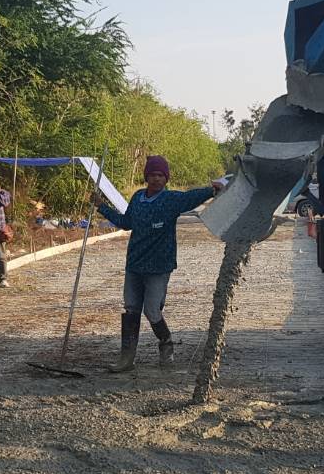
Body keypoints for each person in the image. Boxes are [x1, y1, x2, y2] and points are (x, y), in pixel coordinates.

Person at [94, 155, 226, 371]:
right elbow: (126, 223)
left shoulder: (170, 200)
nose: (156, 179)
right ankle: (127, 358)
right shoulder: (138, 198)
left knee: (152, 310)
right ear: (146, 177)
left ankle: (166, 343)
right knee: (131, 309)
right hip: (135, 264)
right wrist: (102, 207)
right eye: (153, 175)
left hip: (159, 266)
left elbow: (190, 197)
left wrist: (212, 191)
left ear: (166, 179)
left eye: (161, 175)